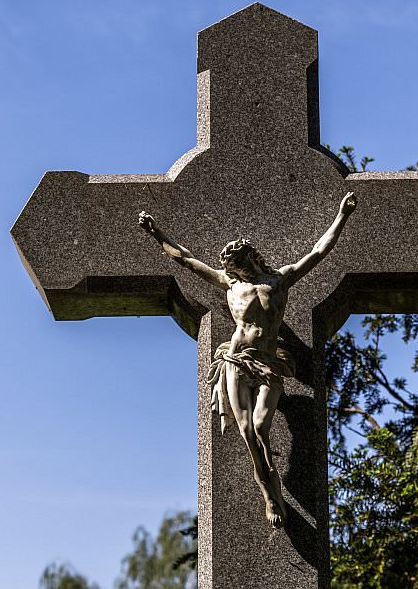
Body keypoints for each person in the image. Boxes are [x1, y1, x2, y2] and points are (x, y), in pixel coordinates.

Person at [138, 192, 356, 527]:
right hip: (236, 359)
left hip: (268, 363)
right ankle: (270, 493)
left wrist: (342, 215)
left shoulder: (279, 280)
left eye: (238, 261)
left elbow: (317, 252)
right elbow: (186, 260)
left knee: (259, 425)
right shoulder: (229, 283)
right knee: (246, 432)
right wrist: (156, 233)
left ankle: (272, 484)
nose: (234, 267)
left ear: (250, 257)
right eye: (231, 264)